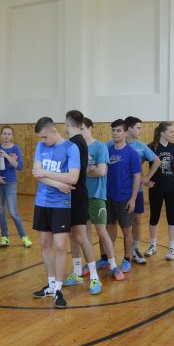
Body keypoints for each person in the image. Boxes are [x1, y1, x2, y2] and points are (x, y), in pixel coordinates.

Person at [31, 117, 80, 309]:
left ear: (53, 130)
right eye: (41, 138)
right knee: (45, 244)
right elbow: (37, 174)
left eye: (45, 137)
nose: (43, 140)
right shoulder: (41, 146)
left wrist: (46, 174)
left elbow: (73, 178)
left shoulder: (71, 148)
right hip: (42, 202)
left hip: (61, 204)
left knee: (60, 246)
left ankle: (59, 289)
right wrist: (58, 184)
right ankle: (51, 285)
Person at [108, 116, 160, 264]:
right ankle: (111, 255)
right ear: (129, 129)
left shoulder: (140, 146)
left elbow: (156, 161)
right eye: (138, 128)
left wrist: (146, 178)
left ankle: (135, 250)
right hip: (116, 192)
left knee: (136, 219)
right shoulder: (110, 145)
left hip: (136, 192)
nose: (140, 131)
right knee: (113, 223)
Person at [61, 110, 102, 295]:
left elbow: (74, 175)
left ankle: (94, 277)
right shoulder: (76, 142)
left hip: (77, 196)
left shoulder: (76, 143)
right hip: (70, 195)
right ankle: (77, 272)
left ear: (67, 123)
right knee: (73, 236)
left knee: (82, 237)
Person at [81, 117, 124, 280]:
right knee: (85, 233)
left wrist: (84, 171)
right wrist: (90, 169)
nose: (80, 132)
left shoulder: (100, 147)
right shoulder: (77, 148)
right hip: (81, 196)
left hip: (97, 196)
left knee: (102, 231)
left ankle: (113, 265)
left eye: (82, 128)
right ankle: (90, 264)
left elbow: (101, 171)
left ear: (90, 128)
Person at [106, 119, 142, 274]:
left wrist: (133, 199)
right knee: (110, 229)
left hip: (124, 199)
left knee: (127, 231)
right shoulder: (107, 151)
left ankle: (127, 259)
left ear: (126, 133)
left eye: (118, 130)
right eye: (113, 130)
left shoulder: (132, 153)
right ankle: (111, 259)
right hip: (108, 198)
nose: (115, 133)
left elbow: (137, 177)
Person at [146, 122, 174, 260]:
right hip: (156, 187)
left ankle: (172, 248)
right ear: (162, 133)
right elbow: (139, 163)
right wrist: (145, 180)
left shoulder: (173, 147)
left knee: (171, 217)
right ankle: (152, 246)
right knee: (154, 216)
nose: (173, 134)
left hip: (172, 187)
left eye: (173, 131)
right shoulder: (151, 147)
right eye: (170, 131)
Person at [0, 126, 32, 248]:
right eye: (4, 133)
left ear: (12, 136)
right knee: (1, 211)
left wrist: (6, 155)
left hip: (10, 183)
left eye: (9, 134)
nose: (6, 136)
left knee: (13, 211)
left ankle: (24, 237)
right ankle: (4, 237)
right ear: (1, 135)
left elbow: (19, 166)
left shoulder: (16, 148)